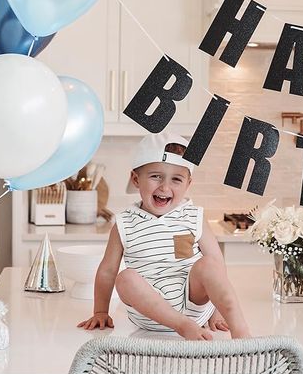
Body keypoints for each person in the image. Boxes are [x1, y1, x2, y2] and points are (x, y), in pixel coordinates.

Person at [78, 132, 251, 339]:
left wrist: (216, 310)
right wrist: (100, 312)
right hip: (148, 313)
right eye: (155, 176)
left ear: (188, 184)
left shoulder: (194, 216)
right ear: (136, 179)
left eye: (176, 179)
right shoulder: (124, 223)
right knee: (125, 278)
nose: (165, 187)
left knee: (210, 263)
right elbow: (107, 271)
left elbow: (217, 269)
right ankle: (182, 325)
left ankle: (241, 333)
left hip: (193, 303)